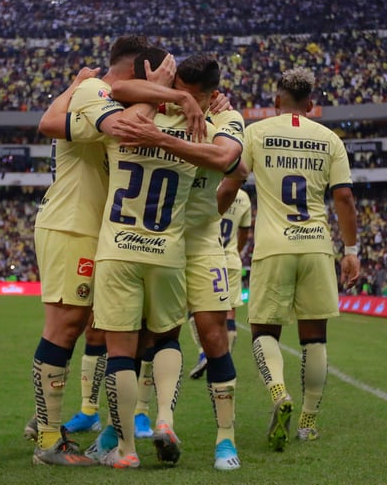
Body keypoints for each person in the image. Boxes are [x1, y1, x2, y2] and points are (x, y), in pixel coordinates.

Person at [111, 54, 247, 470]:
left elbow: (227, 162)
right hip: (155, 241)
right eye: (176, 93)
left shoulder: (228, 119)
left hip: (202, 243)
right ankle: (141, 422)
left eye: (188, 97)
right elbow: (117, 90)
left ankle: (226, 441)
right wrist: (170, 96)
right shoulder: (167, 107)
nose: (177, 102)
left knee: (214, 336)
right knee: (147, 337)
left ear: (210, 96)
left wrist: (162, 140)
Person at [68, 46, 200, 469]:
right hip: (166, 250)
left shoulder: (123, 119)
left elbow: (113, 87)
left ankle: (125, 451)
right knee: (166, 338)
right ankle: (163, 418)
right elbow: (229, 162)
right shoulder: (194, 123)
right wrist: (185, 98)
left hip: (119, 248)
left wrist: (156, 89)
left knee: (120, 351)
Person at [26, 35, 151, 467]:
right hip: (72, 223)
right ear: (135, 72)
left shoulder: (94, 92)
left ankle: (47, 421)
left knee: (84, 327)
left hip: (89, 226)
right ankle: (47, 439)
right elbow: (52, 122)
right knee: (65, 326)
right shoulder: (96, 92)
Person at [220, 67, 360, 451]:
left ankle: (279, 393)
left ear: (276, 101)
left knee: (265, 331)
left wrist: (207, 222)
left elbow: (231, 183)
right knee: (315, 338)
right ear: (311, 104)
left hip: (273, 246)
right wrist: (351, 251)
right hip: (316, 246)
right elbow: (344, 198)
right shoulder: (329, 139)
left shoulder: (256, 132)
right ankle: (308, 422)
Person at [217, 186, 253, 355]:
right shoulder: (244, 197)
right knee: (230, 311)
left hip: (208, 256)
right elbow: (245, 233)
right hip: (231, 259)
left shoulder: (212, 188)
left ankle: (204, 352)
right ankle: (226, 357)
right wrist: (236, 251)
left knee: (199, 309)